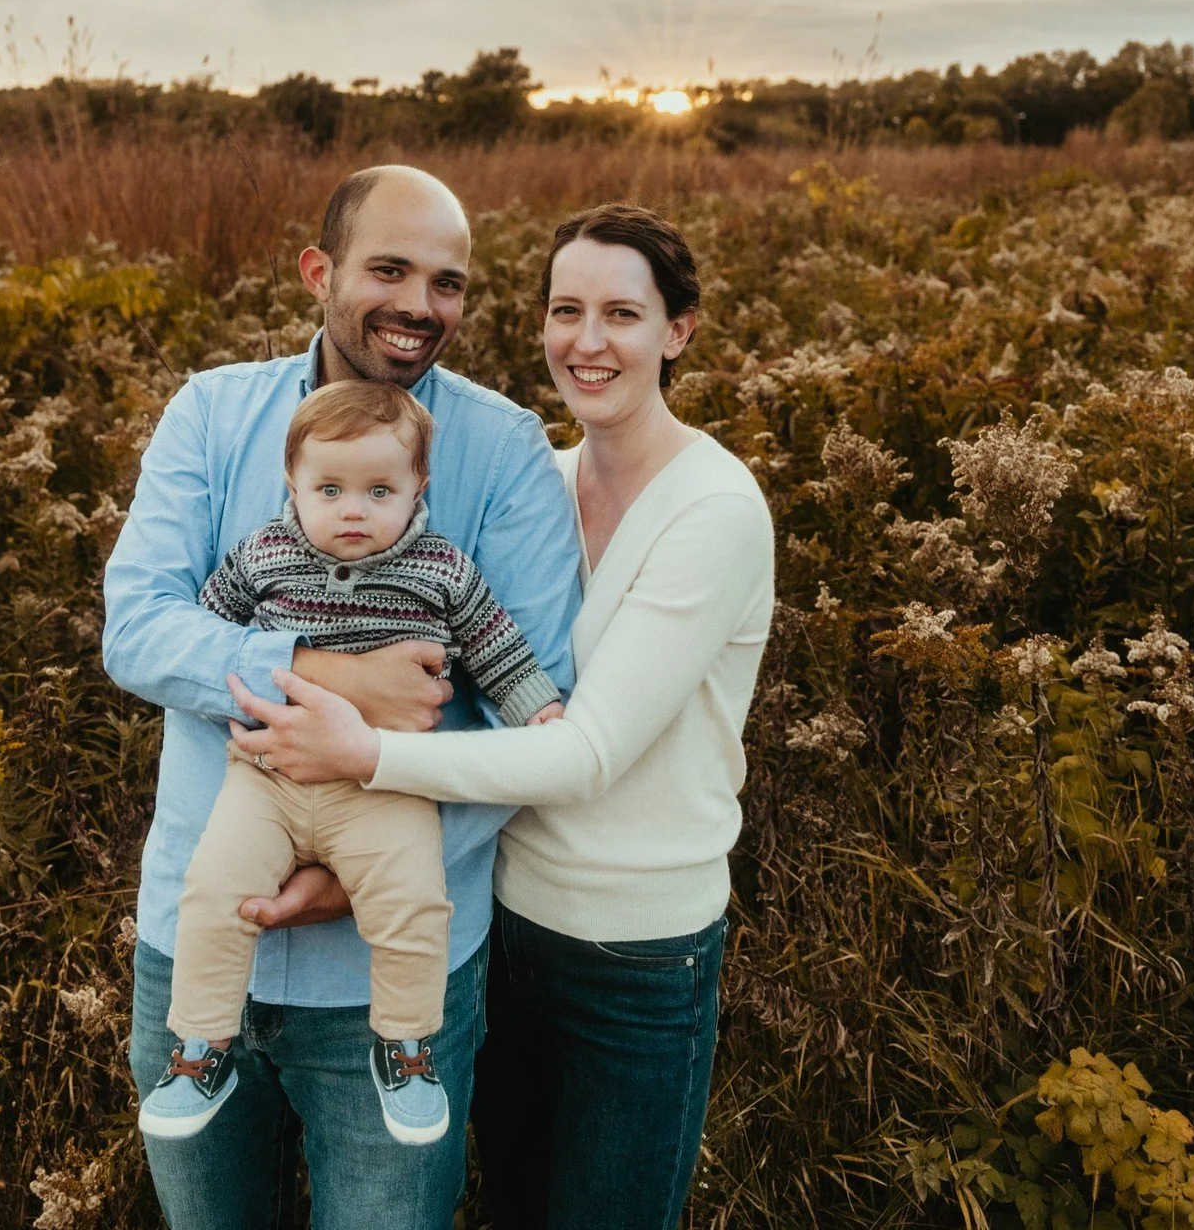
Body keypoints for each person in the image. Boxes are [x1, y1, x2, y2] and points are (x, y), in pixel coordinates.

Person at [228, 201, 777, 1230]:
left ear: (679, 329)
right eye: (565, 310)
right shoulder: (546, 479)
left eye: (623, 312)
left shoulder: (715, 509)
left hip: (636, 951)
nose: (588, 340)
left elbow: (587, 753)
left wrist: (367, 751)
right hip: (507, 928)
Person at [104, 165, 579, 1230]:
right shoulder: (214, 413)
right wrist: (327, 677)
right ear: (321, 272)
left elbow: (534, 699)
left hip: (393, 962)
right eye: (392, 269)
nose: (420, 305)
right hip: (199, 923)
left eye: (448, 283)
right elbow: (135, 629)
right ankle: (199, 1053)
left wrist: (344, 870)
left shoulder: (503, 453)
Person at [138, 380, 563, 1147]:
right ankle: (201, 1048)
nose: (353, 510)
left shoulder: (442, 569)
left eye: (379, 490)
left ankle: (405, 1047)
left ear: (417, 489)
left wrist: (541, 709)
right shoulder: (264, 552)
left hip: (383, 784)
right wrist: (282, 676)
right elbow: (193, 629)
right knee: (214, 890)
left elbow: (500, 648)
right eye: (328, 490)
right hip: (263, 779)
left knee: (413, 900)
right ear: (293, 487)